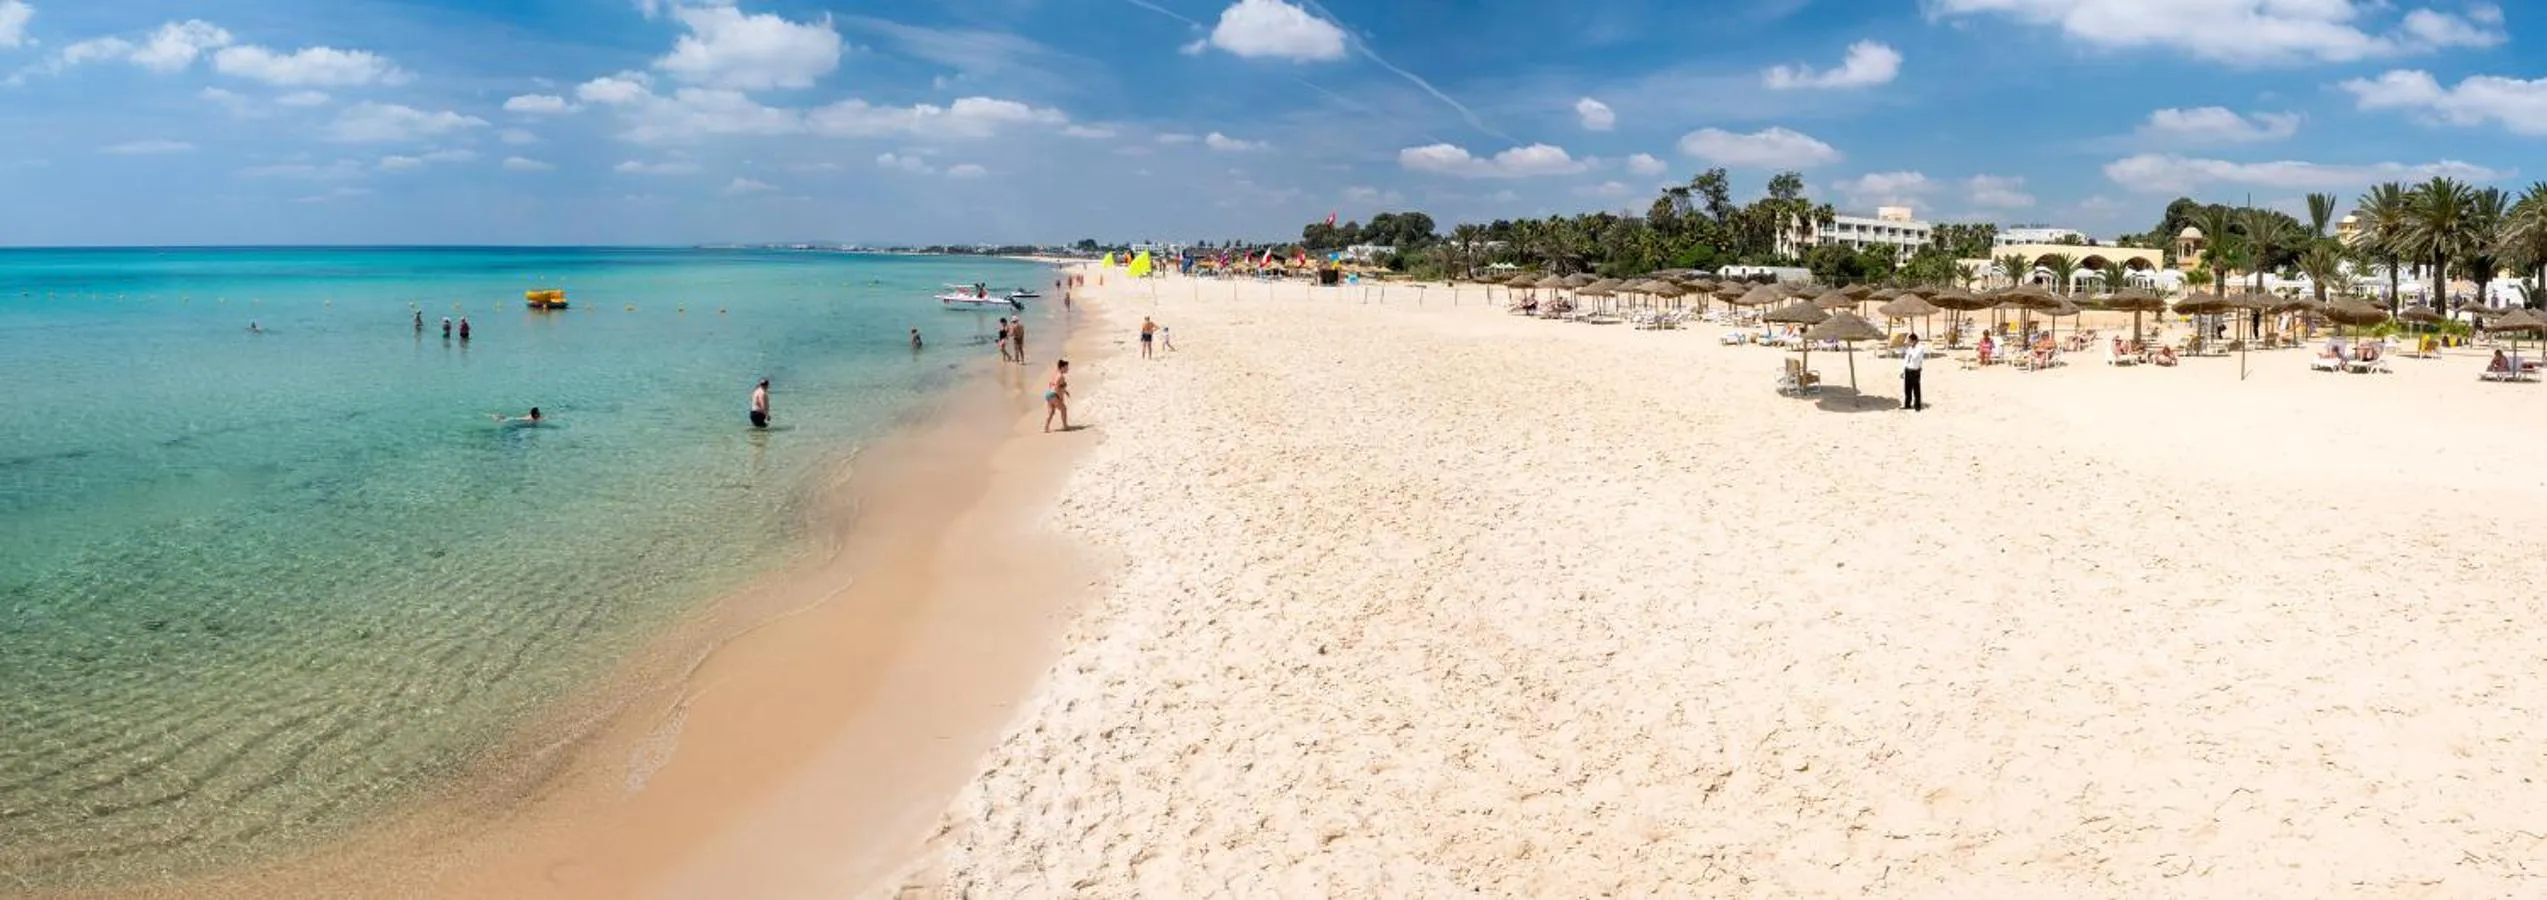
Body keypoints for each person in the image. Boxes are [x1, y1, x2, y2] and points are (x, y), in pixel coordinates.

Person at [1043, 359, 1070, 433]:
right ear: (1062, 368)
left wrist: (1065, 391)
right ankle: (1065, 426)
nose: (1068, 369)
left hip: (1048, 393)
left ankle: (1046, 427)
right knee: (1064, 409)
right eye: (1066, 367)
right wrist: (1060, 398)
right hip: (1054, 394)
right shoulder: (1061, 377)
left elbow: (1051, 384)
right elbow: (1057, 388)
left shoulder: (1056, 374)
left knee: (1051, 412)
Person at [1901, 333, 1926, 411]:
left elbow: (1915, 357)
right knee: (1907, 389)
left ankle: (1917, 406)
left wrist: (1910, 350)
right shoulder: (1909, 348)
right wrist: (1902, 370)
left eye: (1909, 340)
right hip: (1908, 369)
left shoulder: (1920, 348)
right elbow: (1906, 360)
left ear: (1914, 340)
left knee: (1916, 389)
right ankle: (1907, 404)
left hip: (1915, 370)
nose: (1908, 342)